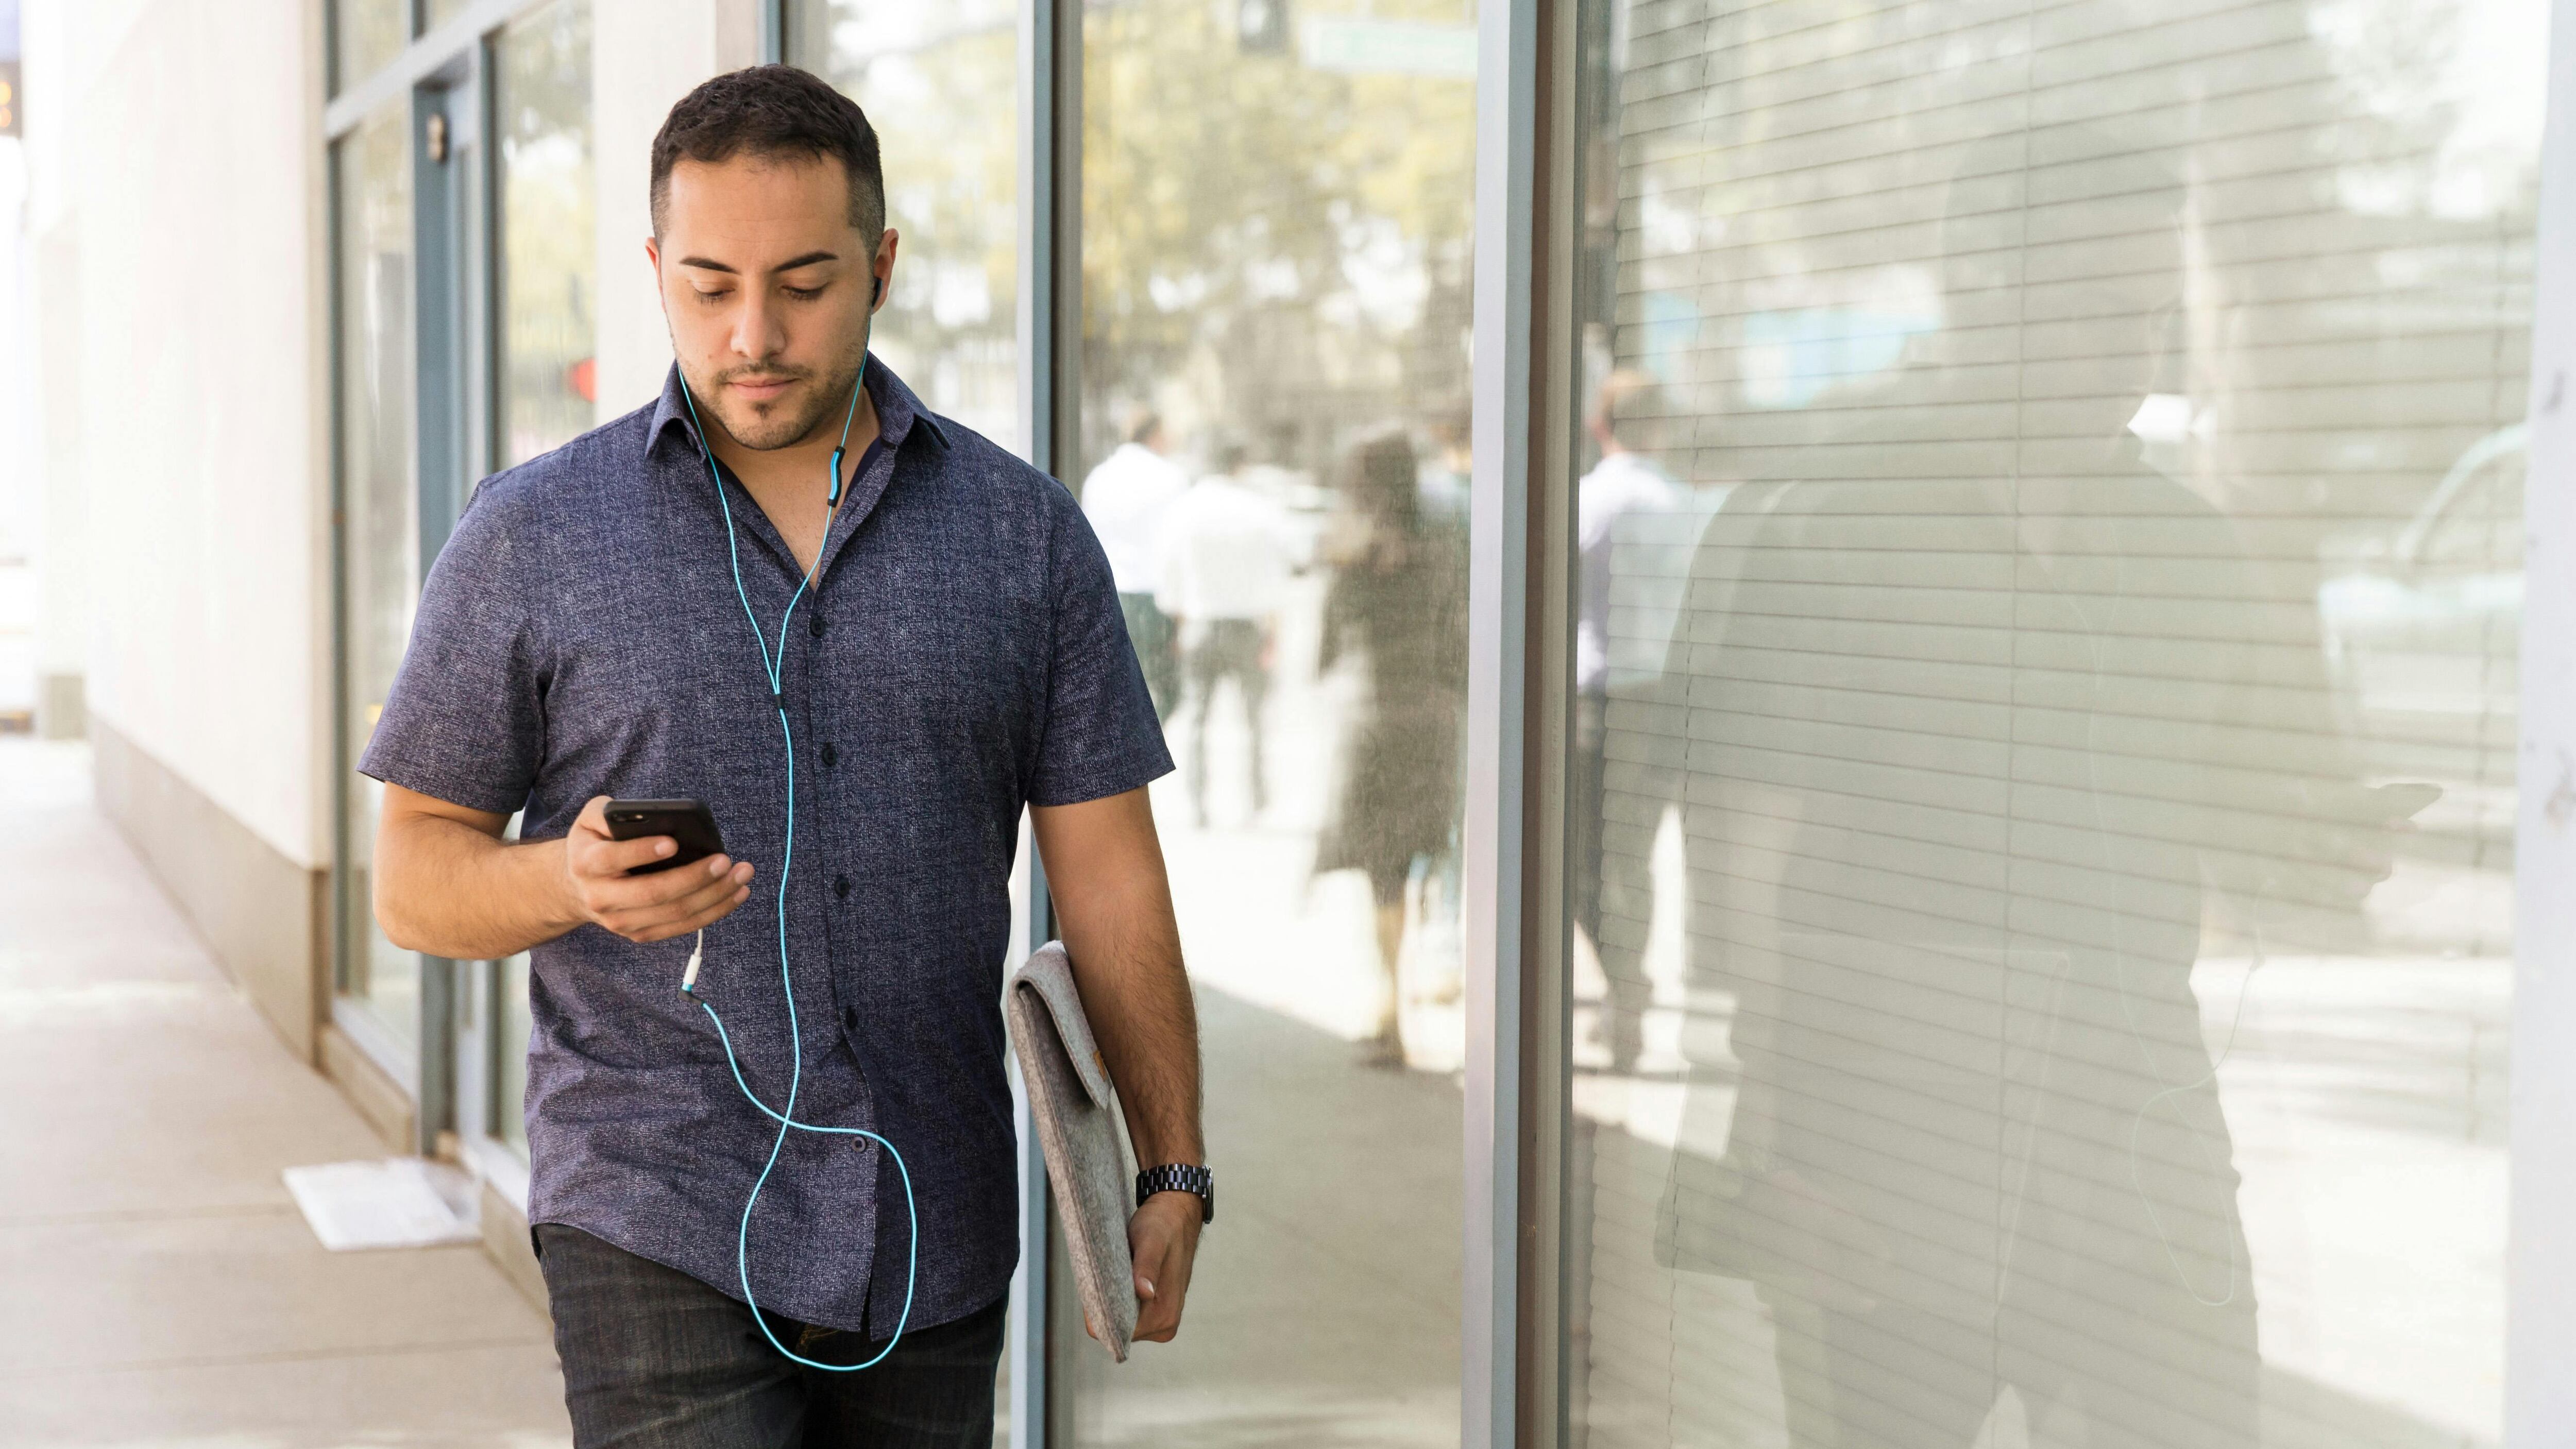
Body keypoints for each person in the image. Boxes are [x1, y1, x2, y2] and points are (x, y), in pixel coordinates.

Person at [361, 66, 1210, 1449]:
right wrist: (571, 882)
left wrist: (1172, 1157)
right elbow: (413, 877)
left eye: (804, 284)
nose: (752, 332)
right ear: (655, 271)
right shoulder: (531, 531)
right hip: (655, 1207)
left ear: (880, 265)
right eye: (707, 286)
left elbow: (1110, 875)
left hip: (935, 1223)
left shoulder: (1025, 536)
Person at [1313, 430, 1468, 1068]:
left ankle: (1390, 1010)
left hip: (1374, 722)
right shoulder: (1445, 549)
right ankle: (1416, 985)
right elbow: (1459, 645)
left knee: (1381, 875)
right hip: (1432, 721)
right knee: (1423, 857)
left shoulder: (1348, 554)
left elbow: (1323, 654)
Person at [1568, 369, 1688, 1075]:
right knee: (1633, 856)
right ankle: (1630, 1002)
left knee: (1581, 858)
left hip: (1599, 701)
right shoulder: (1687, 504)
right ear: (1665, 428)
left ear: (1598, 425)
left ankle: (1624, 990)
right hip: (1666, 699)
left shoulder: (1588, 503)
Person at [1154, 440, 1295, 828]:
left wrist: (1181, 624)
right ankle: (1257, 802)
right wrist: (1273, 636)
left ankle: (1199, 805)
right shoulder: (1259, 510)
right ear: (1240, 465)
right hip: (1248, 626)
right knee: (1254, 720)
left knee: (1198, 719)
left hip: (1200, 624)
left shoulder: (1185, 509)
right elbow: (1276, 578)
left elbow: (1168, 573)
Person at [1080, 412, 1190, 719]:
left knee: (1118, 695)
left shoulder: (1099, 478)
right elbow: (1177, 552)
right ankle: (1144, 760)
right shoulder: (1171, 478)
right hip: (1156, 600)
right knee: (1168, 691)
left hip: (1111, 598)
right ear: (1155, 435)